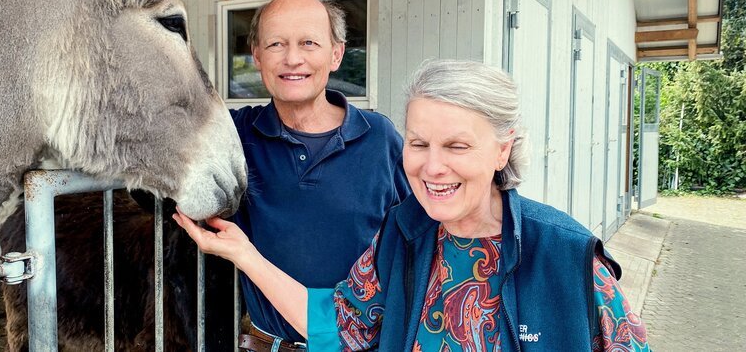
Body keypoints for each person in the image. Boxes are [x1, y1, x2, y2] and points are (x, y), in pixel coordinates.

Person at [176, 59, 649, 351]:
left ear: (502, 150)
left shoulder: (566, 256)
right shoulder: (403, 236)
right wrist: (245, 255)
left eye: (457, 146)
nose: (432, 167)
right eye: (419, 143)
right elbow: (338, 330)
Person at [227, 0, 411, 350]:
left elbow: (415, 238)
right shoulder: (235, 135)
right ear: (257, 57)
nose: (292, 58)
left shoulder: (380, 140)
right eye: (276, 44)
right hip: (268, 344)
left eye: (308, 43)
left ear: (336, 54)